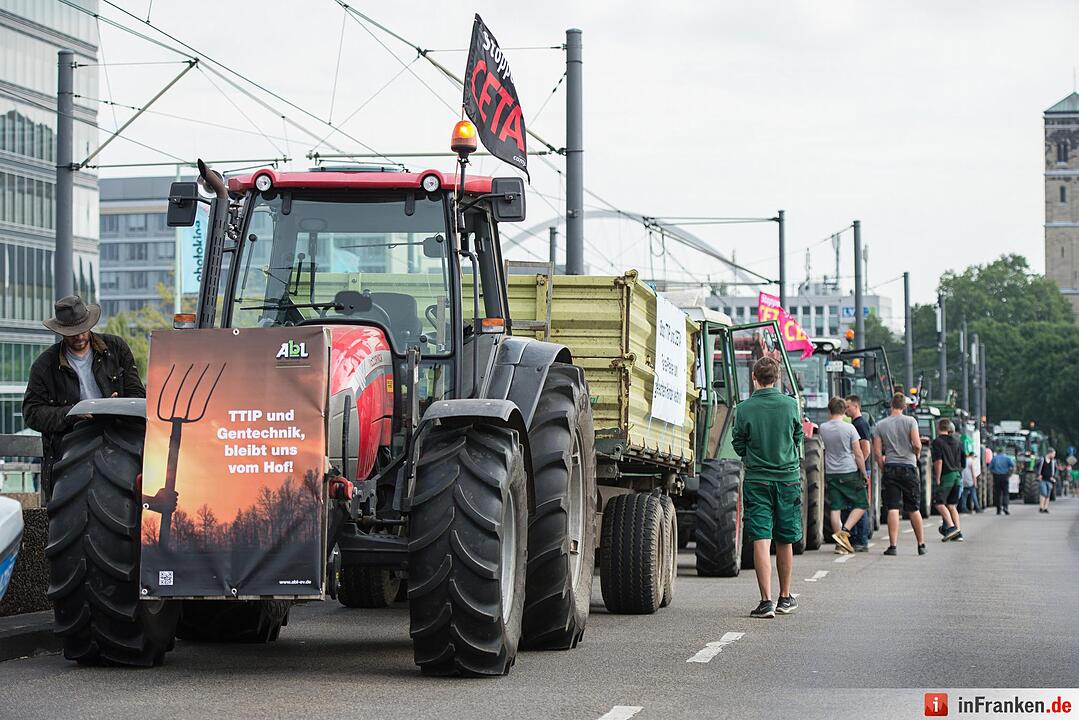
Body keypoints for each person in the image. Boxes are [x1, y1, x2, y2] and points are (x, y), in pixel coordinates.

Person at [22, 296, 172, 515]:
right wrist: (73, 413)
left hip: (120, 435)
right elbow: (33, 413)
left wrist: (117, 405)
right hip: (72, 445)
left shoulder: (116, 348)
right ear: (61, 331)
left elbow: (137, 395)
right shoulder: (45, 365)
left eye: (84, 329)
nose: (80, 336)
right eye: (73, 332)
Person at [733, 356, 804, 619]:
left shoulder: (744, 408)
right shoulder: (790, 405)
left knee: (761, 538)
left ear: (754, 377)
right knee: (785, 539)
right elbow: (798, 436)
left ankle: (766, 602)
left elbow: (738, 443)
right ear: (776, 378)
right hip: (788, 479)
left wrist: (753, 453)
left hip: (757, 480)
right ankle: (786, 597)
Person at [873, 392, 926, 555]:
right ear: (904, 406)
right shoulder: (911, 421)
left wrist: (883, 467)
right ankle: (921, 545)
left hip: (891, 467)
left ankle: (893, 546)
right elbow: (917, 444)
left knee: (893, 507)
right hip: (908, 466)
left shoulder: (880, 425)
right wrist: (916, 456)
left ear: (891, 405)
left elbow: (876, 452)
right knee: (913, 508)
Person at [818, 397, 869, 554]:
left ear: (829, 410)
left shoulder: (823, 428)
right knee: (861, 504)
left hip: (832, 472)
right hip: (849, 471)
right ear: (844, 410)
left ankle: (841, 544)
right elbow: (859, 454)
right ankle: (844, 531)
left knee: (836, 507)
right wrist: (862, 472)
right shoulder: (850, 428)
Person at [843, 395, 873, 551]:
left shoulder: (860, 424)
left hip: (861, 469)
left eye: (848, 406)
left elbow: (866, 449)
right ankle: (857, 539)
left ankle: (862, 540)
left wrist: (858, 467)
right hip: (860, 467)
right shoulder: (855, 423)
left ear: (856, 406)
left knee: (859, 504)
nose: (846, 409)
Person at [931, 419, 965, 542]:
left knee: (939, 503)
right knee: (951, 505)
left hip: (946, 476)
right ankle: (958, 533)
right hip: (957, 476)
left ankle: (951, 527)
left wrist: (938, 477)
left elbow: (938, 461)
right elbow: (963, 462)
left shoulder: (937, 442)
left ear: (938, 427)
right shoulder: (958, 442)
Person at [988, 447, 1015, 515]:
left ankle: (998, 509)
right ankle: (1005, 507)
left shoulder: (994, 458)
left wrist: (993, 473)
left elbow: (990, 468)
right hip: (1005, 476)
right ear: (1003, 451)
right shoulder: (1007, 458)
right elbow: (1012, 466)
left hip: (996, 476)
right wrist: (1010, 473)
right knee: (1005, 493)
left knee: (998, 494)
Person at [1037, 448, 1057, 514]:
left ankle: (1046, 508)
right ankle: (1041, 507)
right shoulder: (1042, 460)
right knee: (1043, 493)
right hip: (1043, 479)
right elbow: (1036, 467)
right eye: (1054, 454)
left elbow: (1055, 470)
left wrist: (1053, 477)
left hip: (1050, 480)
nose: (1054, 455)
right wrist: (1038, 475)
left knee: (1048, 495)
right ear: (1050, 453)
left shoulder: (1053, 462)